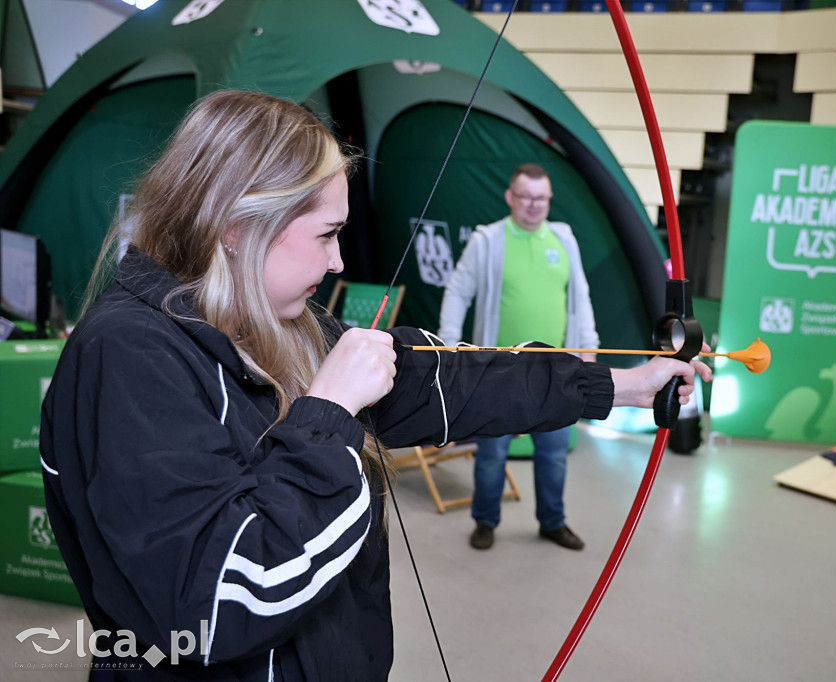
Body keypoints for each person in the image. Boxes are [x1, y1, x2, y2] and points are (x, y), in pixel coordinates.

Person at [40, 90, 710, 682]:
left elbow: (455, 379)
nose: (337, 259)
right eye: (327, 234)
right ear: (240, 229)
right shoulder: (126, 356)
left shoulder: (278, 325)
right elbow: (219, 601)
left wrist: (621, 385)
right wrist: (329, 413)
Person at [438, 163, 600, 552]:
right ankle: (485, 521)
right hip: (497, 369)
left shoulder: (564, 240)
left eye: (541, 198)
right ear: (510, 197)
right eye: (525, 196)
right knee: (492, 453)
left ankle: (553, 523)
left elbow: (581, 298)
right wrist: (448, 346)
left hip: (556, 370)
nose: (533, 205)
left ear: (549, 200)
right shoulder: (488, 240)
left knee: (554, 453)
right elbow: (458, 292)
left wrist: (588, 348)